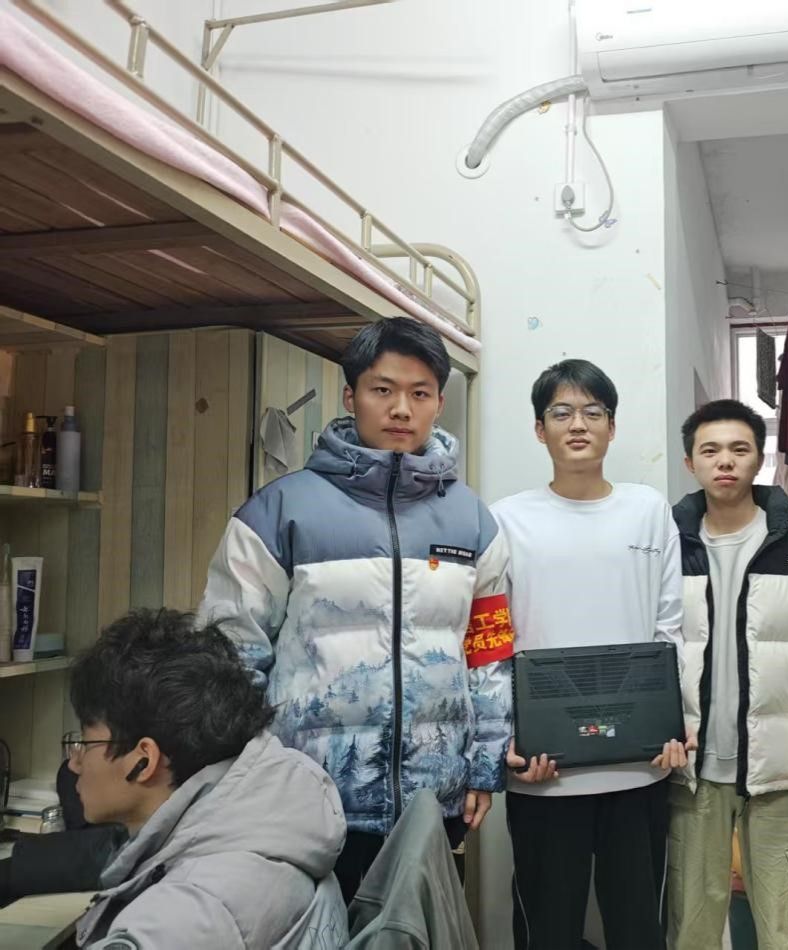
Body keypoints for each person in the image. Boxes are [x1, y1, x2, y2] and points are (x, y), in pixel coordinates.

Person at [199, 317, 513, 901]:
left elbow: (488, 654)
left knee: (414, 934)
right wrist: (243, 773)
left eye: (419, 393)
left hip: (431, 800)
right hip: (304, 799)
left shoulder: (472, 519)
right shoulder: (278, 510)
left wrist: (484, 765)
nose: (401, 409)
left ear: (439, 404)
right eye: (382, 389)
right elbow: (229, 654)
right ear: (351, 397)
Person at [490, 359, 686, 950]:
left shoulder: (648, 509)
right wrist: (507, 738)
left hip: (639, 766)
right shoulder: (506, 519)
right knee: (547, 930)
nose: (578, 424)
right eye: (562, 412)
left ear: (612, 427)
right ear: (539, 429)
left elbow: (669, 629)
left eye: (593, 412)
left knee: (639, 929)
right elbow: (494, 643)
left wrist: (675, 723)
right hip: (545, 772)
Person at [667, 399, 788, 950]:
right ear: (690, 463)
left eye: (739, 449)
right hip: (690, 776)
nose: (725, 461)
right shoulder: (665, 551)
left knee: (786, 930)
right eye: (710, 451)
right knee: (690, 929)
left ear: (758, 460)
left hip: (781, 777)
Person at [67, 609, 347, 949]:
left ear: (143, 761)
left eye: (84, 743)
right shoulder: (274, 815)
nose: (74, 763)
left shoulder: (193, 912)